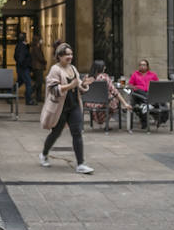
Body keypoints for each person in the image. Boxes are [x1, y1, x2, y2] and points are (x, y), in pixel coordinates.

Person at [39, 42, 93, 174]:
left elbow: (78, 85)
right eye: (66, 55)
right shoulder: (55, 70)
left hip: (74, 106)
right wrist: (70, 86)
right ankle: (44, 154)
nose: (69, 57)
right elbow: (53, 89)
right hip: (60, 108)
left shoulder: (73, 68)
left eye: (71, 54)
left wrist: (84, 84)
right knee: (56, 133)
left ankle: (80, 164)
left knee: (77, 132)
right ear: (59, 56)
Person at [82, 59, 127, 127]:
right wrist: (125, 103)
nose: (105, 68)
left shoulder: (87, 77)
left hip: (89, 103)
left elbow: (82, 90)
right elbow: (115, 91)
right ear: (101, 67)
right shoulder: (104, 77)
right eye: (104, 66)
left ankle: (100, 119)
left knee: (109, 100)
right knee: (116, 102)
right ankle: (105, 123)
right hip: (103, 103)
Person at [127, 59, 163, 131]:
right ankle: (150, 103)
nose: (142, 66)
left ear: (147, 66)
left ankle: (146, 105)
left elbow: (157, 86)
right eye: (140, 65)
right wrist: (135, 87)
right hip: (139, 94)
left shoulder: (153, 75)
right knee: (137, 91)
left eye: (144, 65)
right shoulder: (135, 74)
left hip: (150, 93)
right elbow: (129, 85)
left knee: (153, 99)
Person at [14, 37, 36, 105]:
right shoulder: (23, 47)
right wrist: (24, 65)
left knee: (20, 82)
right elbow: (21, 58)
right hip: (24, 68)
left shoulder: (19, 46)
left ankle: (9, 93)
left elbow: (15, 56)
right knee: (28, 83)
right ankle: (29, 100)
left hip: (21, 68)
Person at [30, 39, 47, 103]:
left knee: (39, 83)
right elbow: (40, 57)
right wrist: (44, 61)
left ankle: (38, 97)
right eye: (40, 40)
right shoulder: (36, 48)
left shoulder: (36, 48)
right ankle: (30, 92)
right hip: (38, 67)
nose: (41, 41)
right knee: (38, 82)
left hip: (38, 67)